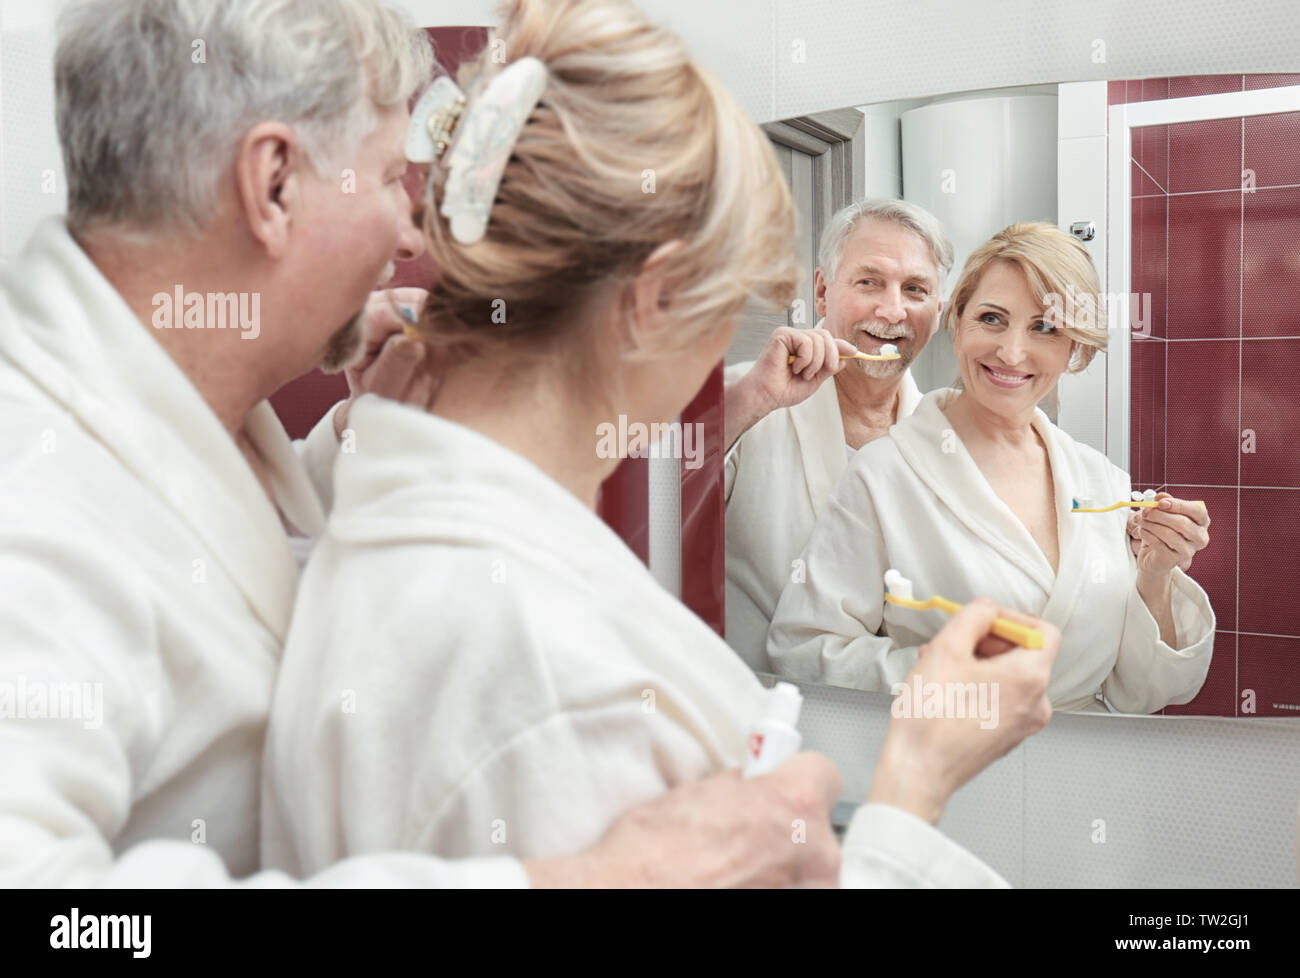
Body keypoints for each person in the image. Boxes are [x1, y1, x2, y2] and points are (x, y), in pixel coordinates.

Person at [0, 0, 846, 889]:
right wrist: (598, 881)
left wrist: (370, 453)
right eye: (386, 178)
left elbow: (212, 559)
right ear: (275, 182)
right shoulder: (33, 495)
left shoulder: (190, 413)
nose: (414, 233)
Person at [262, 0, 1056, 887]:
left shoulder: (397, 532)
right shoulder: (551, 668)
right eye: (721, 312)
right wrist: (918, 780)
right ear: (655, 301)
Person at [768, 222, 1215, 714]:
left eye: (1045, 327)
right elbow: (803, 650)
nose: (1011, 352)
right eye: (992, 318)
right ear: (956, 323)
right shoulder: (886, 475)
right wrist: (954, 678)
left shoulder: (1102, 481)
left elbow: (1142, 693)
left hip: (1089, 769)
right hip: (953, 769)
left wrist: (1155, 577)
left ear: (1075, 349)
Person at [722, 199, 952, 670]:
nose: (892, 311)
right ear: (823, 292)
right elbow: (642, 509)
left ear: (939, 309)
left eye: (915, 289)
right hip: (750, 708)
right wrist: (753, 401)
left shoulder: (947, 439)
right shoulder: (743, 396)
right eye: (869, 282)